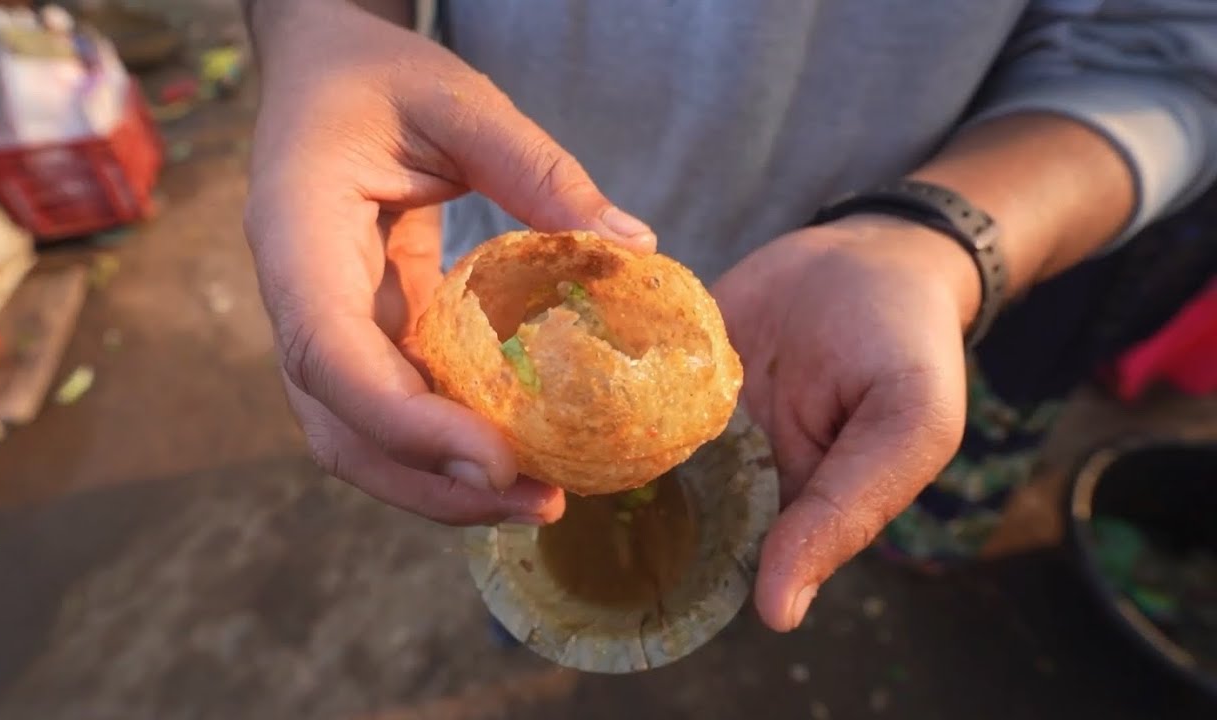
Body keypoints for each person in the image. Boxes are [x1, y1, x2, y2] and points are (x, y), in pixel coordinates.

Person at [239, 0, 1217, 633]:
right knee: (512, 511)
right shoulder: (481, 327)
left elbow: (1164, 47)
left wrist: (936, 237)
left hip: (826, 317)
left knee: (723, 537)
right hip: (472, 255)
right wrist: (316, 32)